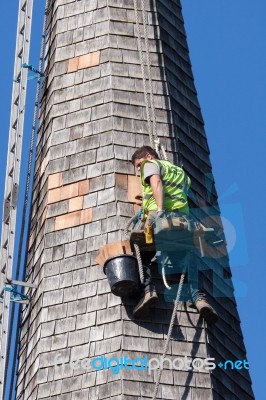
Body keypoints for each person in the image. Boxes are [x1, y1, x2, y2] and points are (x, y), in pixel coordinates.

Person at [131, 146, 219, 325]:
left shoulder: (151, 164)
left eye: (139, 165)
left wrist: (160, 209)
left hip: (161, 217)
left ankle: (148, 291)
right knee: (186, 257)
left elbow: (156, 182)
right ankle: (199, 298)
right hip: (182, 220)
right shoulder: (179, 172)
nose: (139, 170)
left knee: (142, 253)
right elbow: (179, 194)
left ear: (148, 156)